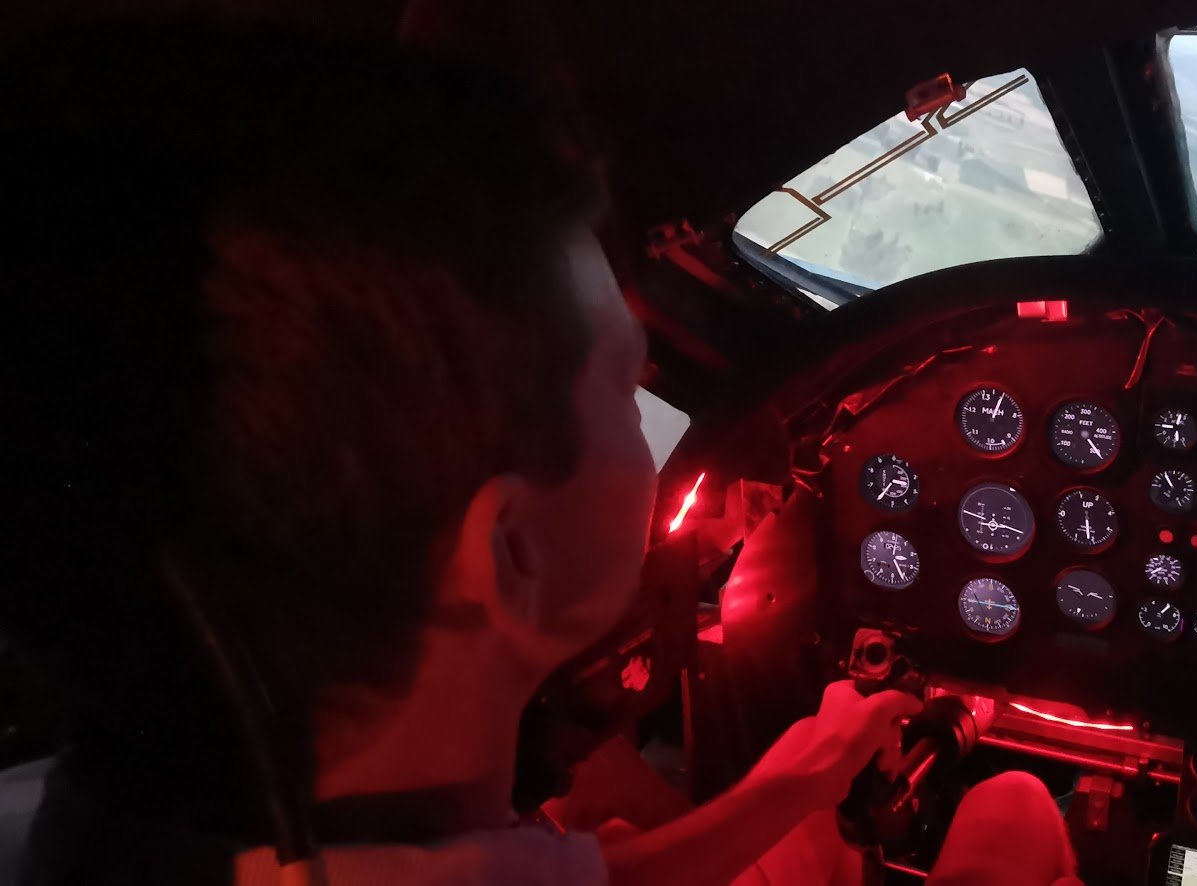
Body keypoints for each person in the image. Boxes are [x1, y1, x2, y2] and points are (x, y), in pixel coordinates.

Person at [0, 20, 1078, 886]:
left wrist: (803, 774)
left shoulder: (93, 812)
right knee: (1014, 811)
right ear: (510, 556)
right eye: (625, 387)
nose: (654, 426)